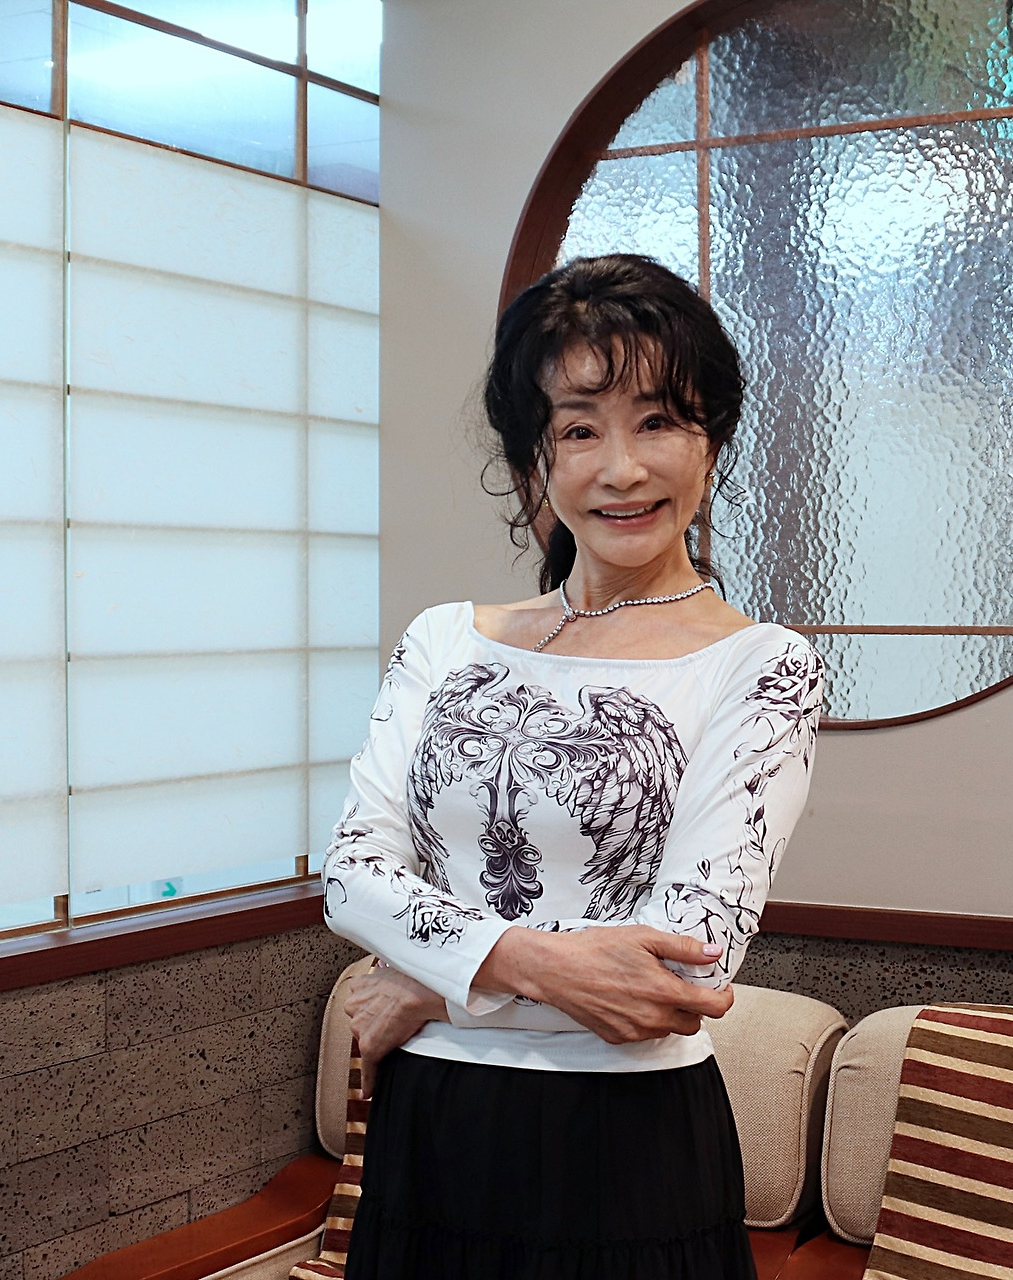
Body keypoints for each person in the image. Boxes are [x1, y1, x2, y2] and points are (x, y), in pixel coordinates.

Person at [323, 253, 824, 1279]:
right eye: (580, 427)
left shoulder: (762, 665)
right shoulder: (444, 640)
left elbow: (686, 969)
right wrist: (516, 968)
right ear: (533, 456)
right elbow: (352, 875)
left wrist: (430, 985)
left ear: (710, 442)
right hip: (429, 1128)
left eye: (658, 421)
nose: (623, 469)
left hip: (626, 1138)